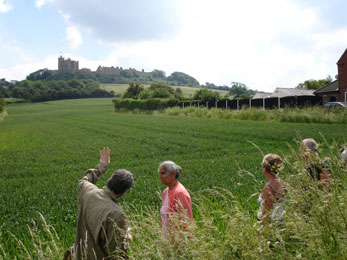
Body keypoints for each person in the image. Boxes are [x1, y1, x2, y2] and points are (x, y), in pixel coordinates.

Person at [73, 147, 133, 260]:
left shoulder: (88, 191)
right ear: (124, 192)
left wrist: (101, 166)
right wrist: (127, 236)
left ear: (110, 180)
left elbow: (83, 180)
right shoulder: (117, 214)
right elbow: (115, 253)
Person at [158, 161, 193, 232]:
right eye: (159, 173)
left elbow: (186, 219)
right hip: (166, 237)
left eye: (163, 173)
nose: (160, 176)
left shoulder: (180, 193)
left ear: (173, 175)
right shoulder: (165, 192)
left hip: (177, 239)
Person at [257, 154, 287, 224]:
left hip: (270, 224)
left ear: (264, 169)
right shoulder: (282, 182)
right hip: (281, 220)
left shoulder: (268, 188)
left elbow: (267, 214)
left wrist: (261, 229)